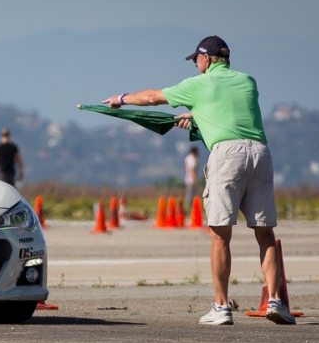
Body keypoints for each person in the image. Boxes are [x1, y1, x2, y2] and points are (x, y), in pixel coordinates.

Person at [103, 35, 295, 325]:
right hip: (260, 153)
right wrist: (195, 115)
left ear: (205, 59)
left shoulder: (198, 85)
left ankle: (221, 307)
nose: (195, 65)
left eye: (196, 60)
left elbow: (153, 97)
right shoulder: (248, 82)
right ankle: (276, 302)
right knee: (265, 233)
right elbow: (228, 109)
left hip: (227, 154)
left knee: (220, 234)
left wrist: (121, 99)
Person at [183, 145, 200, 213]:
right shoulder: (193, 158)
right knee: (191, 195)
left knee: (189, 194)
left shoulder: (187, 157)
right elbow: (192, 168)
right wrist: (195, 178)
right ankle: (189, 208)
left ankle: (189, 208)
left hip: (187, 178)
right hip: (191, 179)